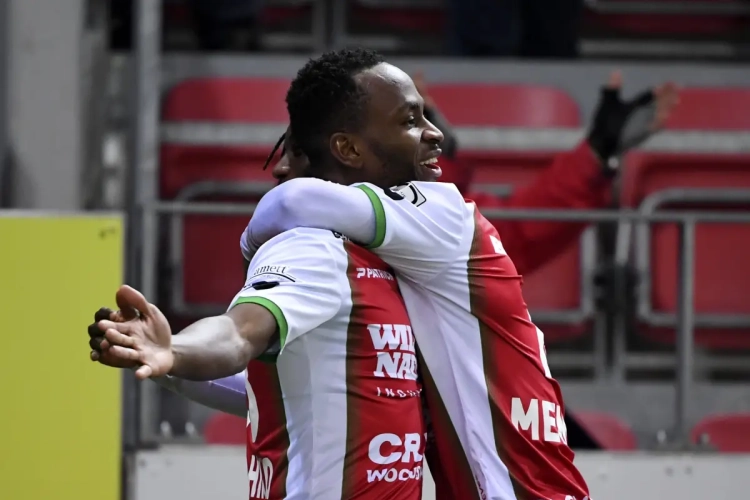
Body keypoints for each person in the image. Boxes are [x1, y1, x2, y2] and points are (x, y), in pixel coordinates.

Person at [94, 49, 678, 499]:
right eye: (412, 120)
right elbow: (251, 347)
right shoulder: (328, 251)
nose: (436, 135)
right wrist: (176, 359)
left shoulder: (426, 229)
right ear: (348, 149)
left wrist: (249, 249)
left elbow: (291, 205)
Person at [93, 138, 428, 500]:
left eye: (297, 152)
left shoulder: (402, 268)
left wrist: (173, 361)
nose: (279, 168)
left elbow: (265, 394)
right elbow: (238, 331)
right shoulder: (313, 250)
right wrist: (175, 351)